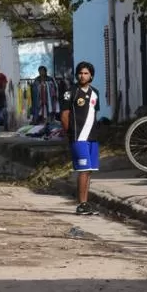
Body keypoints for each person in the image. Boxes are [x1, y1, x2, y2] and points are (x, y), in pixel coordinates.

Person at [60, 62, 101, 216]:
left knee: (89, 170)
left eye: (85, 73)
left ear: (91, 75)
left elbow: (94, 114)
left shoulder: (95, 93)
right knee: (83, 170)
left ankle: (86, 203)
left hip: (92, 138)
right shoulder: (70, 92)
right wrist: (69, 134)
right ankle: (82, 204)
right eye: (80, 73)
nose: (82, 76)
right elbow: (64, 115)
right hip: (78, 137)